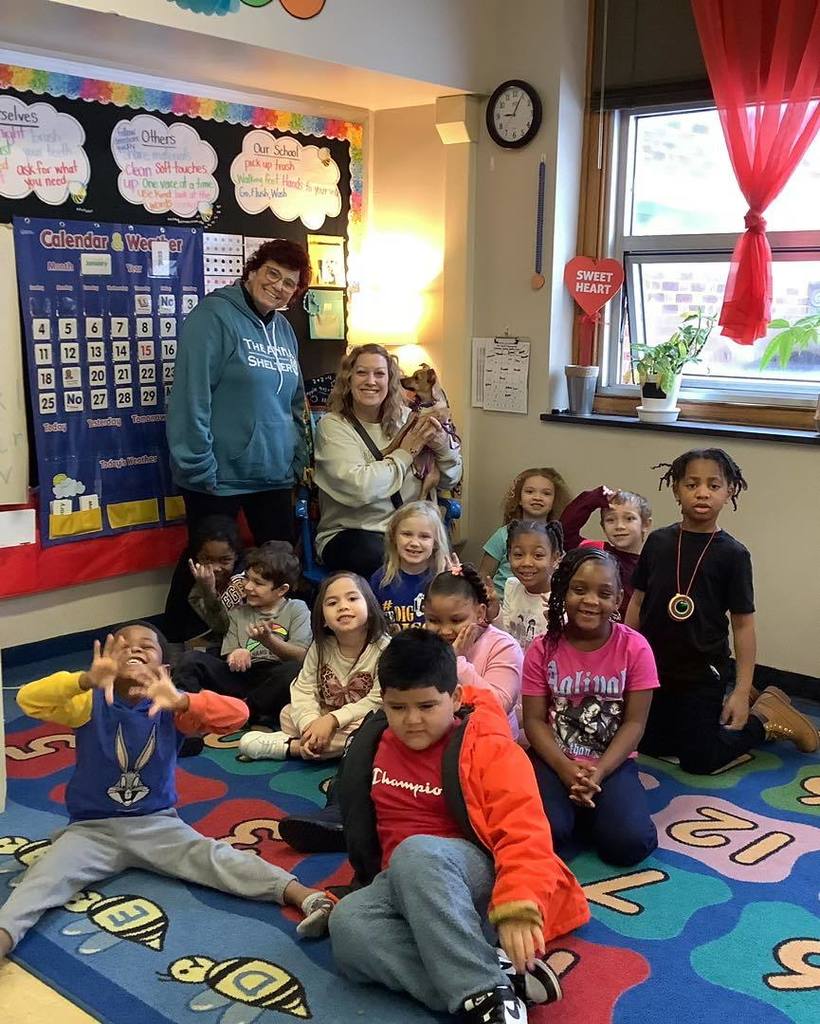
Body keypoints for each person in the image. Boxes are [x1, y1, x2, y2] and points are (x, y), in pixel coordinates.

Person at [0, 621, 334, 960]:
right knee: (41, 880)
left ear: (164, 669)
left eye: (147, 646)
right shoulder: (89, 702)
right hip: (91, 830)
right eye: (125, 645)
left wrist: (182, 700)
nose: (135, 649)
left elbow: (238, 715)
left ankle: (304, 895)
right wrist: (85, 680)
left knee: (217, 859)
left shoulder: (173, 711)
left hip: (157, 824)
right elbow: (29, 699)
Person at [328, 630, 590, 1024]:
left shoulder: (488, 745)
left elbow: (525, 832)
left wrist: (519, 907)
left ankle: (481, 994)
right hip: (403, 883)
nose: (412, 720)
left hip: (477, 882)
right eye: (398, 708)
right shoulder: (374, 741)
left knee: (416, 852)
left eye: (427, 705)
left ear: (456, 698)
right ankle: (500, 982)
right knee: (347, 927)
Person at [626, 448, 818, 774]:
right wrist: (625, 657)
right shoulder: (657, 542)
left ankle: (766, 715)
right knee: (644, 744)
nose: (702, 493)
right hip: (654, 671)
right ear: (676, 490)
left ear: (730, 491)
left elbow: (743, 626)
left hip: (703, 674)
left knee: (699, 761)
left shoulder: (733, 554)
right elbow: (637, 602)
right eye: (692, 484)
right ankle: (710, 719)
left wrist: (741, 691)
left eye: (713, 485)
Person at [166, 239, 312, 545]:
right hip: (218, 480)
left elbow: (296, 402)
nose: (278, 286)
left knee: (278, 568)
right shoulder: (213, 316)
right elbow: (191, 398)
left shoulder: (284, 330)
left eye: (289, 283)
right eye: (272, 274)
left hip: (274, 477)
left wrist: (297, 459)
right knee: (209, 574)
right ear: (253, 270)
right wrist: (198, 466)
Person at [523, 548, 659, 866]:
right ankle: (578, 813)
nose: (590, 601)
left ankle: (591, 811)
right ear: (563, 592)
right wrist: (564, 768)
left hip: (611, 763)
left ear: (617, 600)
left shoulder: (635, 648)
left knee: (629, 844)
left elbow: (634, 725)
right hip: (553, 760)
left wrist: (599, 772)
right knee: (544, 835)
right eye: (579, 589)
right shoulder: (542, 649)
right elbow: (533, 721)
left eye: (604, 593)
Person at [313, 344, 462, 578]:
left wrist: (443, 446)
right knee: (384, 557)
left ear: (391, 381)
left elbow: (450, 480)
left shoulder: (410, 418)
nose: (371, 381)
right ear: (348, 379)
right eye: (362, 372)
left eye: (379, 374)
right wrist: (405, 453)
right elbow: (359, 489)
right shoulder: (333, 426)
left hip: (413, 532)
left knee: (448, 573)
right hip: (356, 533)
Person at [238, 573, 391, 761]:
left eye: (352, 598)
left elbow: (378, 700)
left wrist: (332, 721)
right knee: (288, 712)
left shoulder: (384, 649)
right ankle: (316, 742)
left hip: (358, 719)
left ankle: (291, 748)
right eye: (332, 603)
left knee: (376, 729)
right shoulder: (320, 647)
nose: (343, 606)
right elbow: (303, 688)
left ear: (370, 607)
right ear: (323, 618)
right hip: (325, 714)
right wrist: (310, 724)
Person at [173, 542, 311, 726]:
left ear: (281, 590)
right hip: (242, 676)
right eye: (247, 579)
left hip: (273, 676)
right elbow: (229, 653)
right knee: (191, 659)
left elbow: (302, 656)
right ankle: (185, 713)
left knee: (295, 671)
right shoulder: (238, 612)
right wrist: (236, 654)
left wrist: (269, 641)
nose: (247, 587)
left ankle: (245, 711)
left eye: (258, 583)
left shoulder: (297, 609)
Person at [424, 563, 523, 740]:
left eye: (456, 620)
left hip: (492, 743)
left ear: (480, 613)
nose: (445, 631)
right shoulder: (425, 644)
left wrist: (457, 661)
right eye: (434, 620)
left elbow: (498, 706)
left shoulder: (503, 646)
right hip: (441, 741)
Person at [560, 485, 652, 619]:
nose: (619, 526)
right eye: (610, 520)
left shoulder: (652, 564)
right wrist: (594, 498)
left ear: (645, 525)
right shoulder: (596, 552)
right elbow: (564, 533)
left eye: (629, 519)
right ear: (603, 526)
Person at [162, 514, 246, 658]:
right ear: (196, 556)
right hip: (195, 646)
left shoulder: (245, 578)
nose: (215, 568)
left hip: (237, 648)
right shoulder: (187, 572)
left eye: (225, 560)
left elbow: (224, 628)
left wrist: (209, 592)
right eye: (207, 559)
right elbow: (174, 626)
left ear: (236, 556)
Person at [479, 468, 570, 599]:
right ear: (519, 499)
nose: (537, 497)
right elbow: (484, 574)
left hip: (538, 606)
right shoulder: (503, 534)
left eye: (546, 493)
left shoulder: (556, 538)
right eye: (529, 491)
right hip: (500, 605)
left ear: (554, 501)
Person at [369, 500, 450, 631]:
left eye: (424, 536)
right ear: (393, 537)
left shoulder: (444, 579)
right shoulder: (380, 579)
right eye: (407, 534)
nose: (414, 543)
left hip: (435, 649)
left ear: (435, 542)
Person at [499, 520, 564, 651]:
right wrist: (495, 613)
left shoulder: (563, 598)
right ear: (508, 556)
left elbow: (566, 649)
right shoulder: (512, 586)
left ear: (555, 558)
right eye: (518, 555)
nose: (527, 563)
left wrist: (556, 624)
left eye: (538, 555)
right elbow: (505, 636)